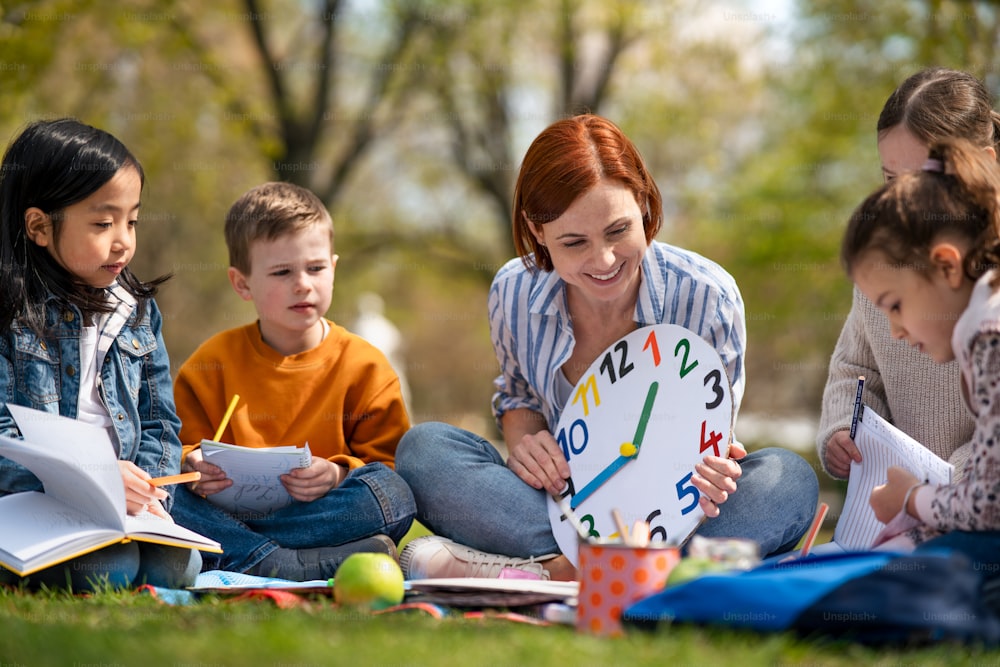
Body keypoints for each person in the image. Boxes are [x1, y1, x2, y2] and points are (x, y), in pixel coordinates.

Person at [396, 114, 819, 581]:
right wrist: (525, 441)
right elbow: (516, 396)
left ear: (642, 202)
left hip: (677, 516)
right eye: (573, 242)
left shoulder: (706, 296)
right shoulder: (513, 291)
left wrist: (720, 473)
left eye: (617, 231)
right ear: (538, 233)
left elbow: (713, 434)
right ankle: (646, 576)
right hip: (562, 508)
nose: (603, 261)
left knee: (787, 479)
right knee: (425, 450)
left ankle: (557, 573)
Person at [169, 182, 416, 580]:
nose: (303, 283)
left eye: (316, 268)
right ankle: (279, 560)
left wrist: (337, 473)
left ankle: (249, 552)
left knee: (394, 496)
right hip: (226, 511)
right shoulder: (211, 363)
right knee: (166, 496)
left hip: (322, 511)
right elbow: (177, 451)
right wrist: (192, 464)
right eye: (282, 272)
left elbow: (386, 466)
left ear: (334, 267)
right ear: (242, 283)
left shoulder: (365, 364)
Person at [0, 118, 200, 591]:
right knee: (110, 570)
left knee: (178, 567)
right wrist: (93, 478)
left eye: (131, 221)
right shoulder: (9, 312)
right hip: (31, 502)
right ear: (39, 226)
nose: (123, 241)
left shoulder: (136, 312)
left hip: (120, 513)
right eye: (102, 223)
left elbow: (159, 423)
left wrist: (149, 491)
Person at [818, 67, 1000, 481]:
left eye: (922, 180)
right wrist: (844, 430)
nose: (900, 199)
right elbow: (855, 370)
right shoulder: (884, 271)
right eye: (890, 180)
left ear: (984, 168)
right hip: (908, 501)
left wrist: (940, 483)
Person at [840, 138, 1000, 556]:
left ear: (946, 265)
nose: (894, 330)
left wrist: (912, 499)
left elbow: (988, 505)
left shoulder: (990, 335)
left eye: (895, 306)